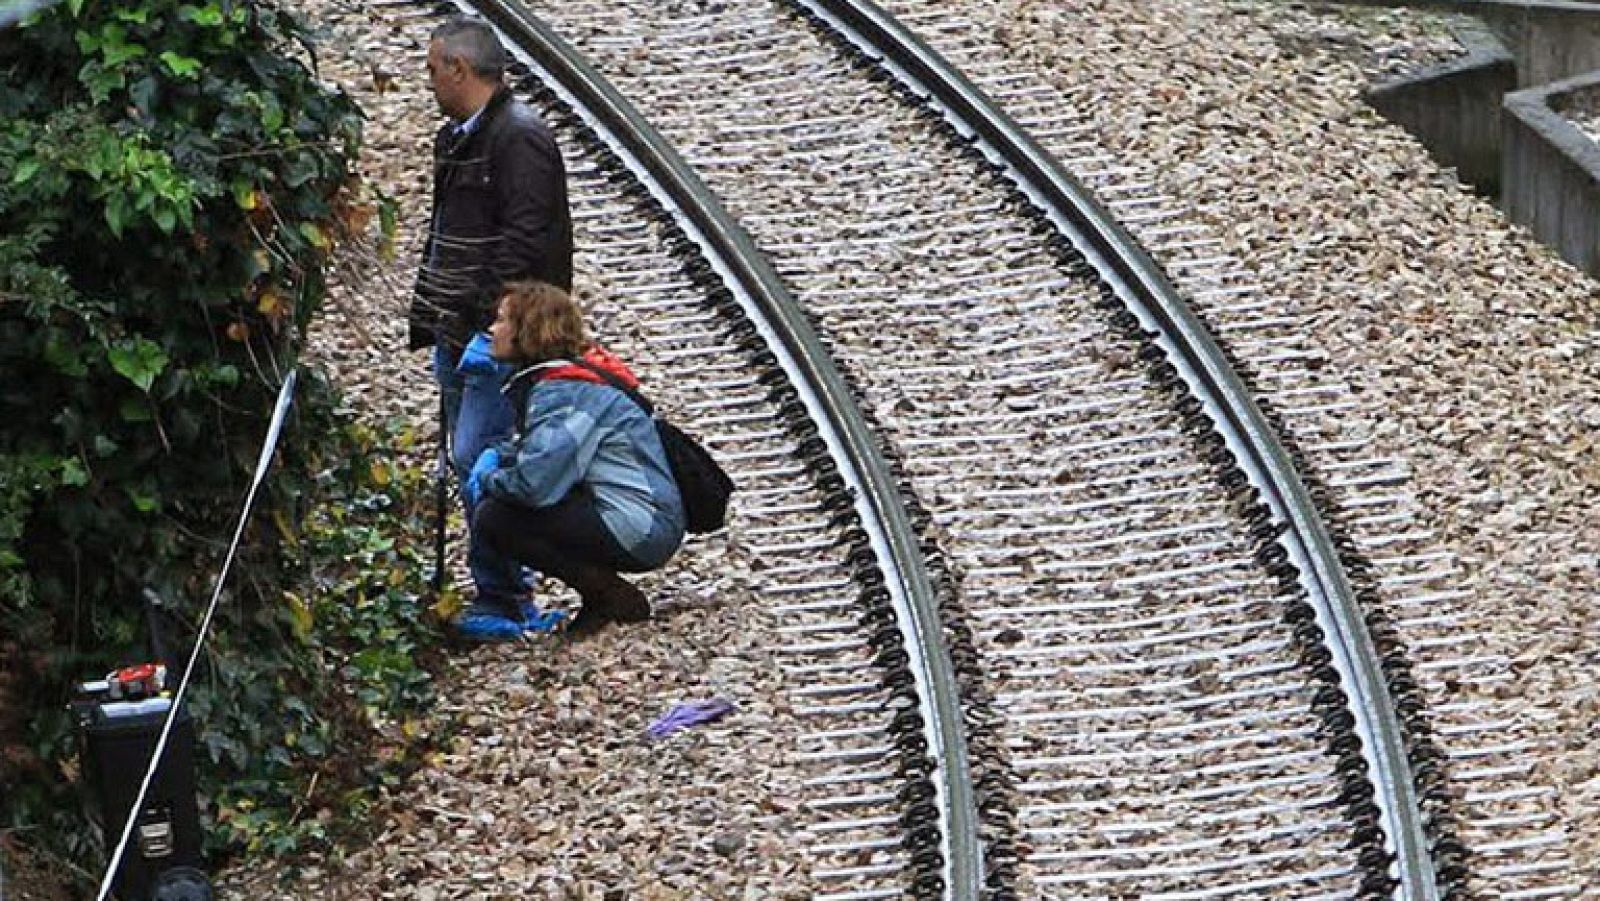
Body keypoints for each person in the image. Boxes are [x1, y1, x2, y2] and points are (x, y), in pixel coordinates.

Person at [411, 15, 574, 638]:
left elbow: (525, 244)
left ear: (459, 68)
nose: (428, 81)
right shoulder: (457, 137)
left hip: (494, 337)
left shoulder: (519, 138)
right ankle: (497, 587)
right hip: (460, 330)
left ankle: (507, 594)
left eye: (433, 68)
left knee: (481, 455)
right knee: (466, 457)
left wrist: (491, 327)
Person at [463, 282, 685, 638]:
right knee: (508, 507)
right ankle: (601, 597)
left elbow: (535, 485)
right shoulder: (564, 380)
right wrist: (501, 457)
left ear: (526, 332)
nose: (491, 330)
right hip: (640, 513)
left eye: (502, 321)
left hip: (642, 526)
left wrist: (488, 477)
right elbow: (542, 451)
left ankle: (610, 596)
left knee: (496, 517)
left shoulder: (563, 392)